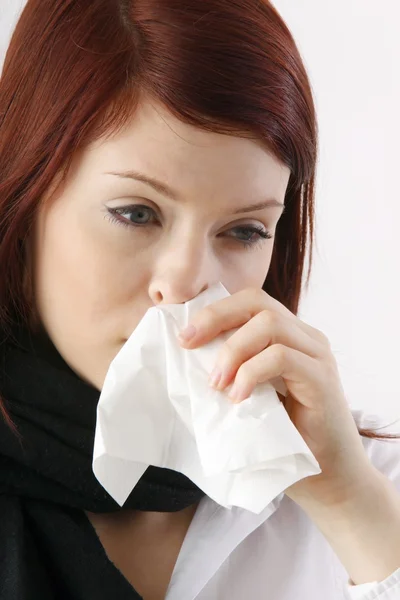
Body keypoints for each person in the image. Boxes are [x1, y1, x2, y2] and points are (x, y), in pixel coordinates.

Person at [0, 1, 399, 599]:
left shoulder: (368, 481)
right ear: (25, 203)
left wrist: (350, 504)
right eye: (136, 214)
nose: (185, 283)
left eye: (244, 231)